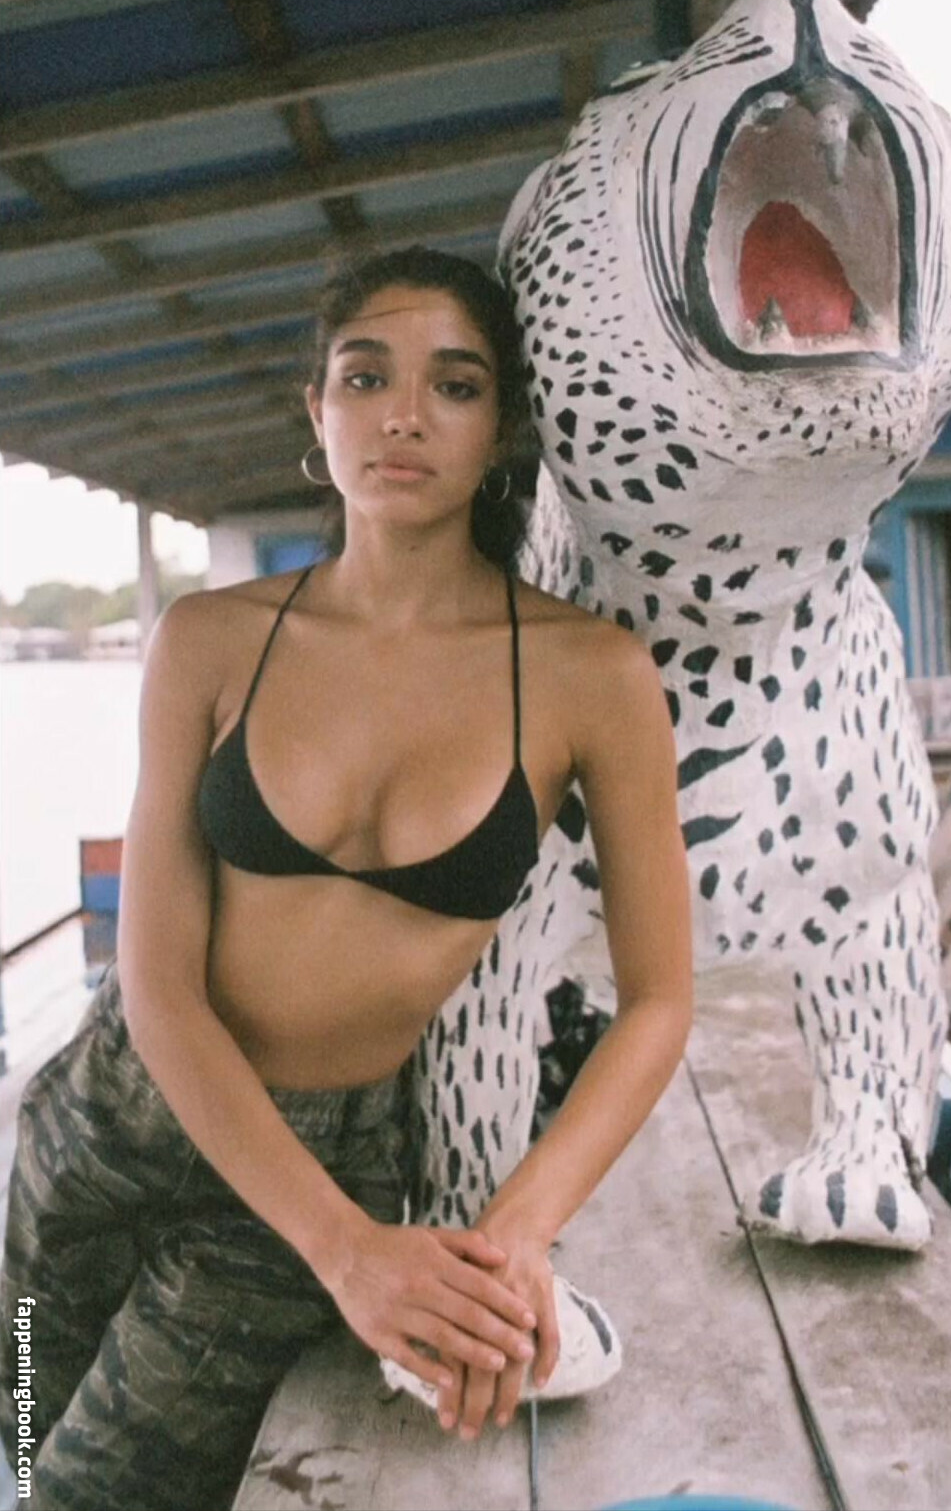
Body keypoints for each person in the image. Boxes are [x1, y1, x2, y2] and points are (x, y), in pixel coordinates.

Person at [0, 244, 693, 1511]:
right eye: (366, 376)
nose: (404, 415)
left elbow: (659, 1000)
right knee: (23, 1423)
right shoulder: (211, 638)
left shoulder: (590, 674)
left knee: (92, 1494)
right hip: (110, 1116)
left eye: (455, 384)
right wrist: (350, 1251)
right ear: (316, 412)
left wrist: (513, 1233)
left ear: (503, 426)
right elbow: (159, 986)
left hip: (309, 1185)